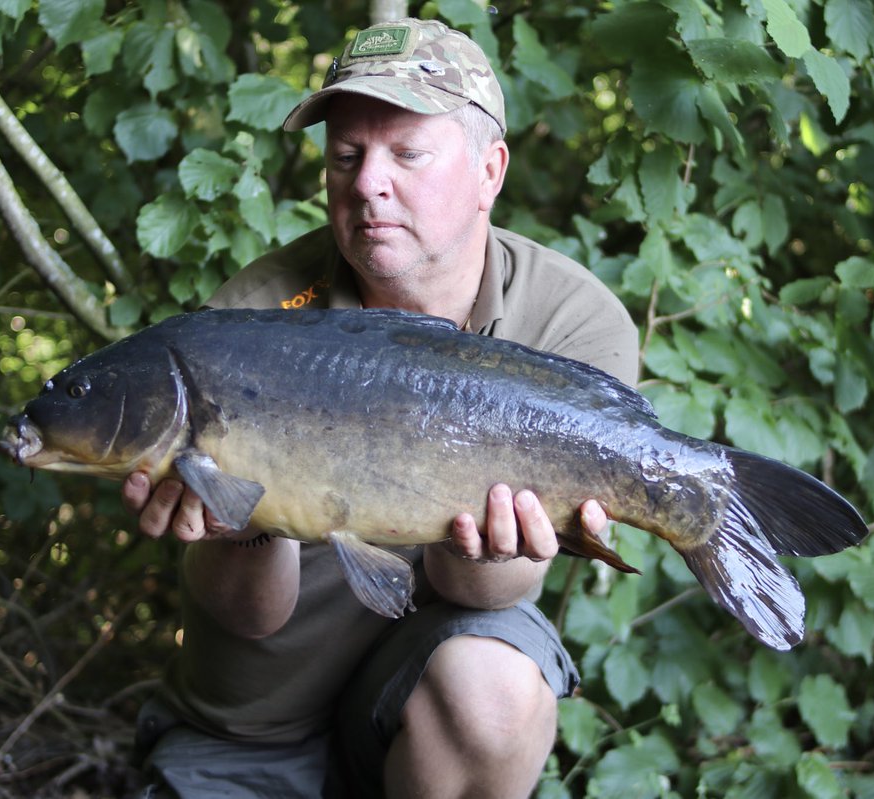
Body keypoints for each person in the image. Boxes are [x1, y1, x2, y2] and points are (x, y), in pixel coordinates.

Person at [123, 17, 639, 798]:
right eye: (346, 156)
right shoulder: (253, 321)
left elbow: (484, 595)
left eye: (407, 153)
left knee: (495, 691)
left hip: (421, 703)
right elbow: (249, 615)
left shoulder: (569, 323)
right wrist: (239, 524)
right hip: (248, 729)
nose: (367, 182)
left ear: (490, 171)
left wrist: (487, 548)